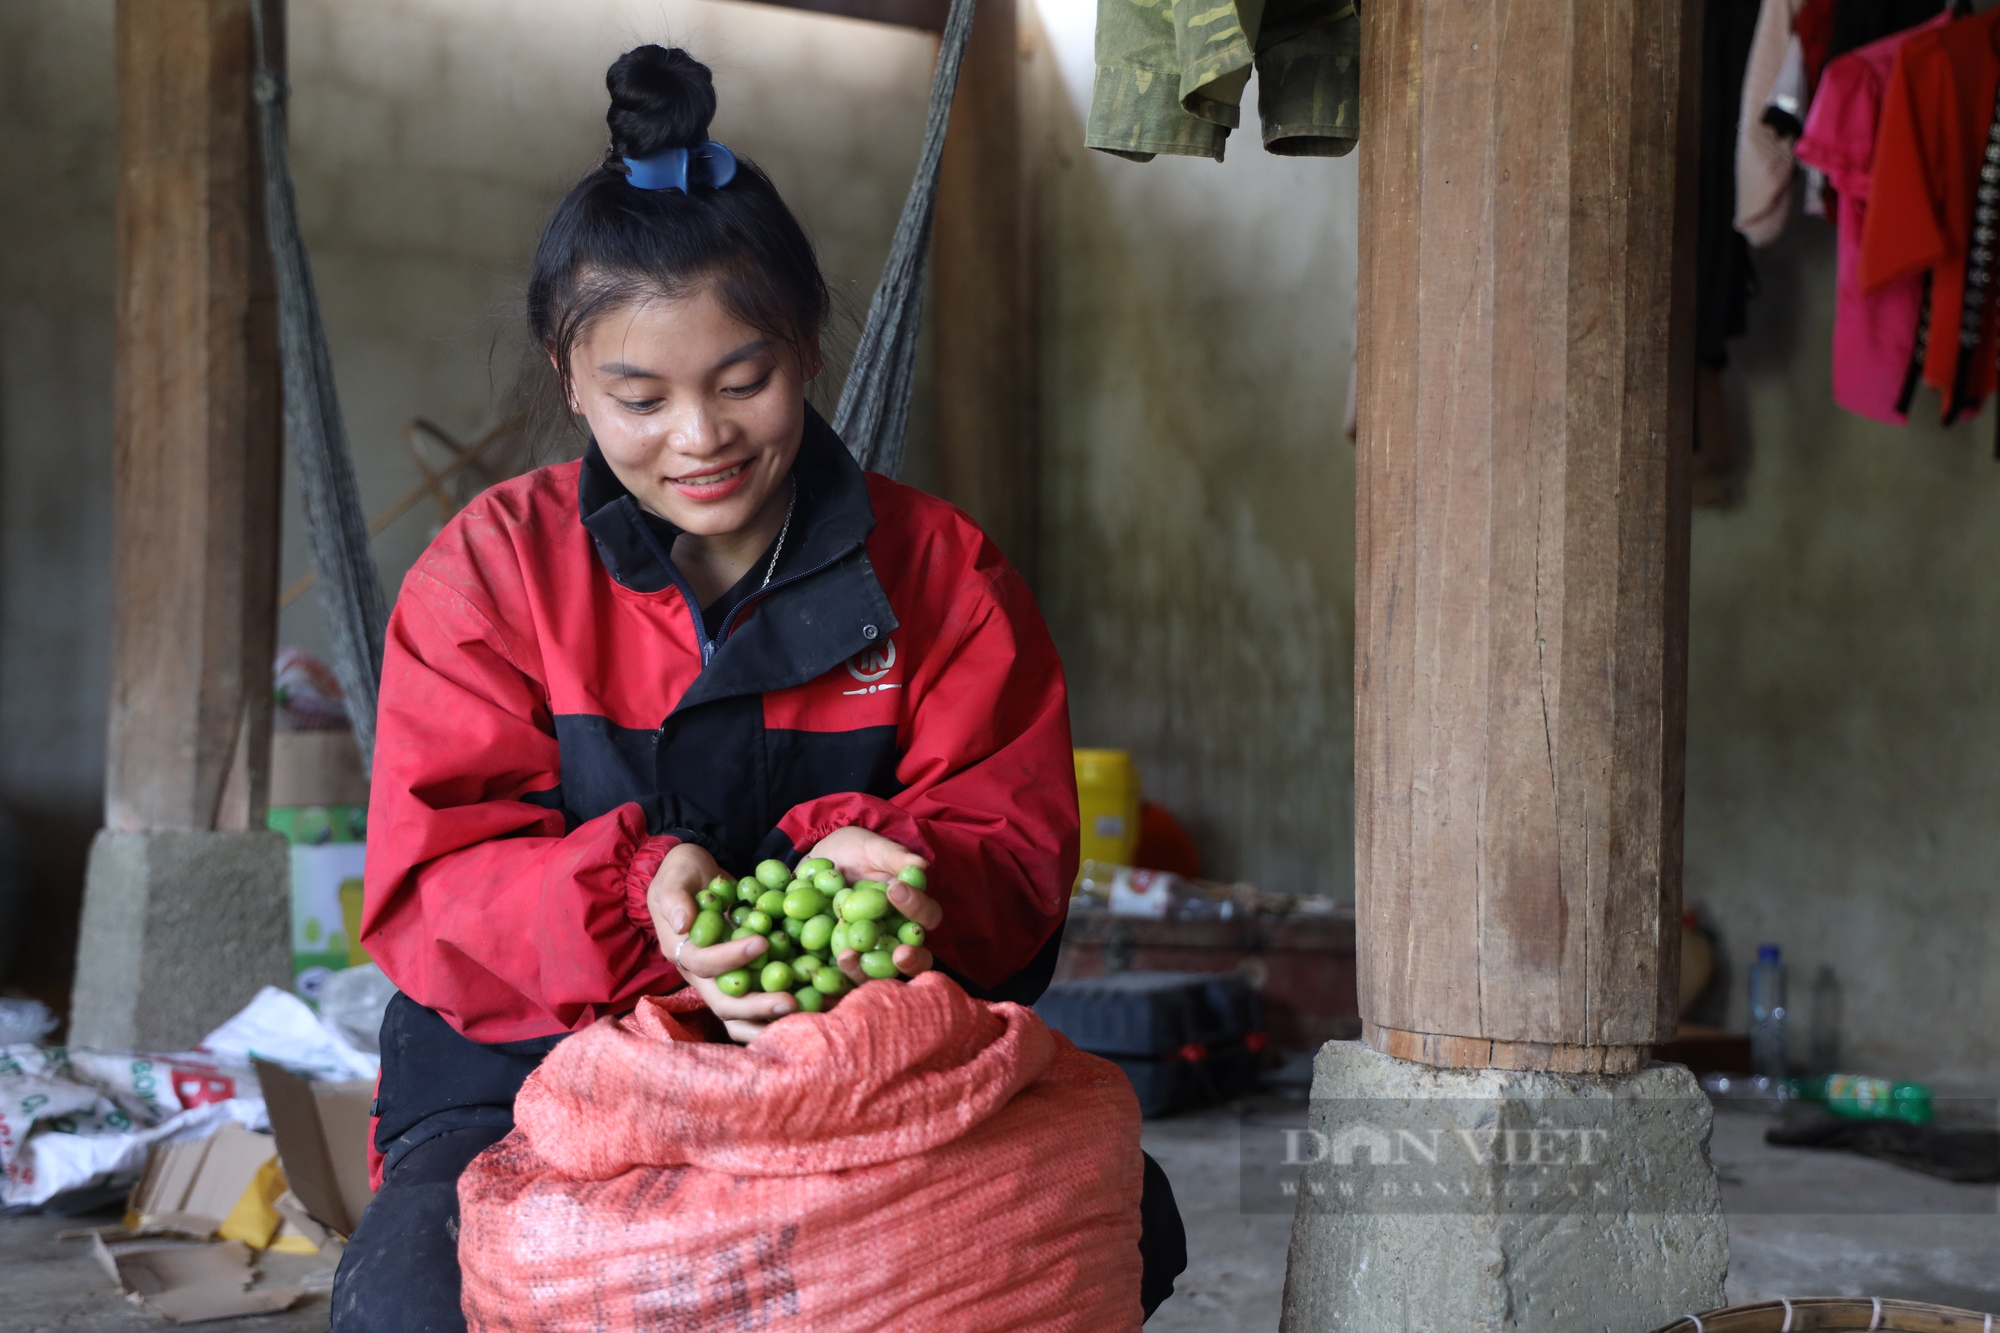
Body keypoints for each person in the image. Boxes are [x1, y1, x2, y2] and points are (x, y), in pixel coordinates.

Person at [329, 43, 1184, 1331]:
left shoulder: (941, 573)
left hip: (854, 1056)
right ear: (569, 377)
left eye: (744, 382)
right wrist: (637, 900)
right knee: (412, 1297)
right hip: (535, 1055)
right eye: (641, 395)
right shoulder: (494, 576)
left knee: (1113, 1217)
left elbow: (1014, 851)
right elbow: (432, 888)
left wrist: (903, 871)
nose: (701, 437)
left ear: (806, 348)